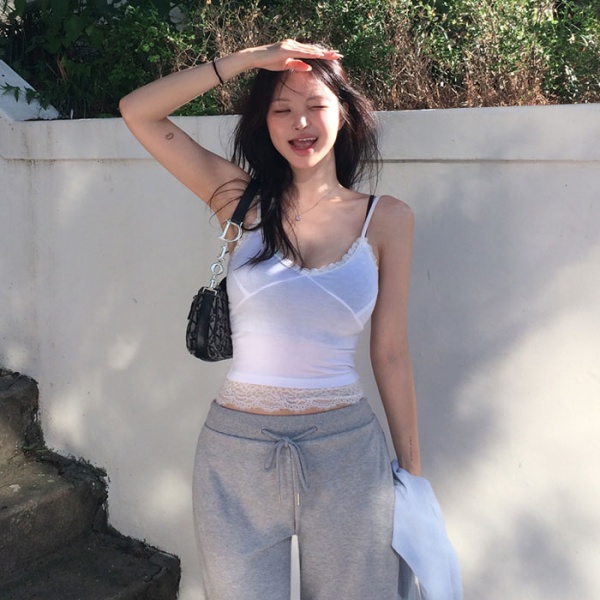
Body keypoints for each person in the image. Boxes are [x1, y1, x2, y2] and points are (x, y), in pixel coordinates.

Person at [120, 39, 421, 600]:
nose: (300, 123)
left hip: (347, 452)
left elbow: (391, 351)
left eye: (316, 106)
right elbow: (138, 111)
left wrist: (412, 472)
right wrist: (246, 60)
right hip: (236, 453)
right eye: (281, 108)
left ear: (344, 114)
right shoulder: (239, 199)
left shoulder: (387, 219)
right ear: (264, 122)